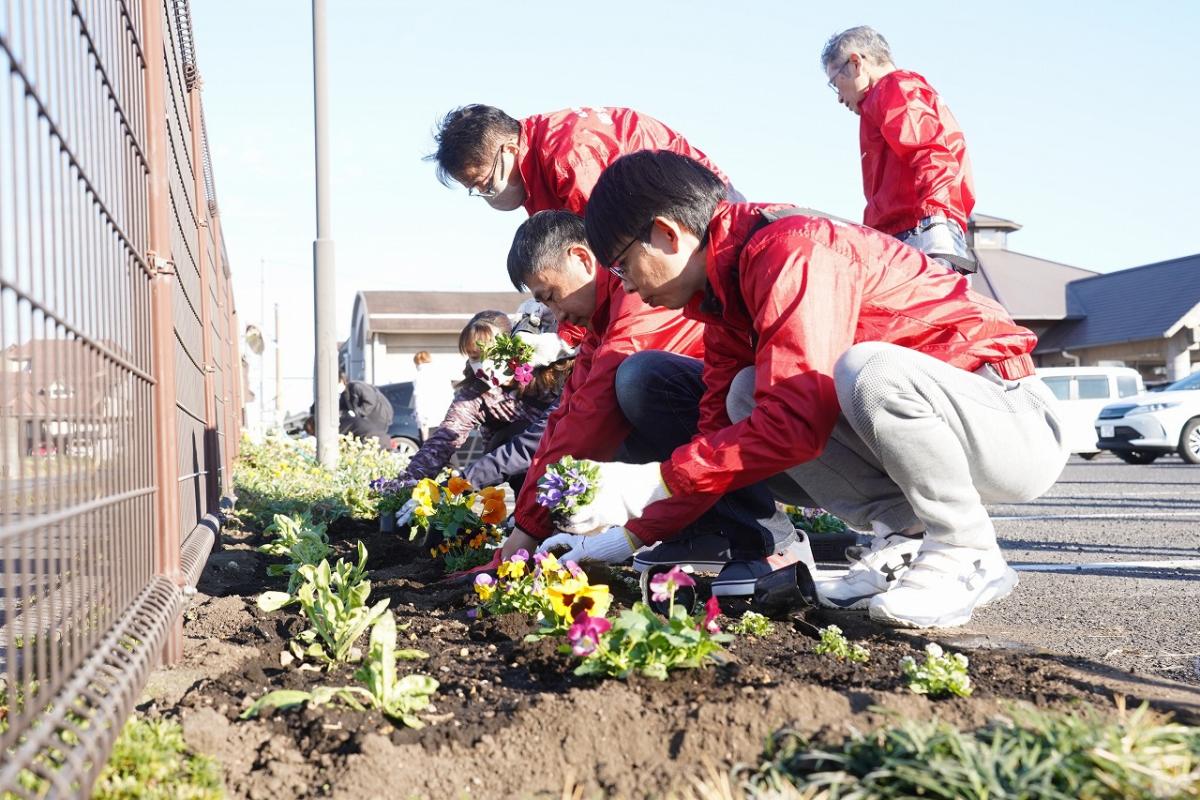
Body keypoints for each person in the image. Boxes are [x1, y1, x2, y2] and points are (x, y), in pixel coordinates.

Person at [547, 150, 1066, 629]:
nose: (628, 286)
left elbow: (797, 421)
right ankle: (906, 537)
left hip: (1013, 420)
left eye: (621, 266)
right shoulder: (726, 295)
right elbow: (713, 436)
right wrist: (629, 534)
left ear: (666, 234)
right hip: (954, 427)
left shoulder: (793, 250)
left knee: (870, 371)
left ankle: (967, 550)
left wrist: (654, 479)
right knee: (744, 397)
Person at [497, 211, 799, 596]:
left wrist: (531, 532)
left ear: (581, 258)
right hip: (736, 433)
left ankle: (770, 539)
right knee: (615, 416)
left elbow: (595, 415)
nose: (557, 316)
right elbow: (566, 419)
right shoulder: (602, 319)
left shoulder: (636, 295)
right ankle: (705, 531)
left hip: (771, 434)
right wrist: (526, 524)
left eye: (551, 297)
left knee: (637, 381)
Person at [822, 26, 975, 272]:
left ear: (856, 63)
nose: (839, 97)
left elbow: (929, 153)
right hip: (909, 232)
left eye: (835, 82)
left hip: (915, 232)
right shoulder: (890, 96)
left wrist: (935, 226)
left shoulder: (894, 88)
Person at [427, 104, 742, 217]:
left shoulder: (568, 157)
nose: (485, 195)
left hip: (703, 208)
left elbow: (599, 255)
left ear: (508, 150)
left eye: (482, 184)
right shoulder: (532, 166)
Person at [400, 310, 568, 496]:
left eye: (490, 355)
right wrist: (407, 485)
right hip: (515, 469)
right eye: (474, 357)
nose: (483, 366)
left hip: (563, 457)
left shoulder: (551, 376)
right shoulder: (476, 394)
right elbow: (444, 439)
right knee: (505, 436)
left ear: (511, 348)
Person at [309, 370, 393, 450]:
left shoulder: (357, 386)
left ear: (342, 380)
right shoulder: (345, 394)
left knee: (375, 439)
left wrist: (357, 413)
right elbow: (341, 407)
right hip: (367, 420)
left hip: (378, 416)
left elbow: (370, 402)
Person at [411, 350, 453, 442]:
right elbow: (450, 396)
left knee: (430, 452)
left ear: (418, 362)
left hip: (429, 422)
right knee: (447, 450)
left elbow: (420, 399)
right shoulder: (442, 374)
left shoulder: (420, 376)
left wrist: (422, 421)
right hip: (445, 419)